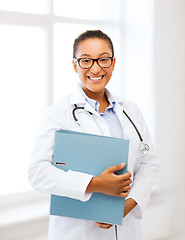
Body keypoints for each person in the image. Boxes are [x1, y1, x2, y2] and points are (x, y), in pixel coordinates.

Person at [28, 30, 158, 240]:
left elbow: (149, 164)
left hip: (127, 229)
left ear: (113, 63)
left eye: (103, 59)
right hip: (78, 232)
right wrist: (95, 184)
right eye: (86, 61)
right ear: (75, 65)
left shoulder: (130, 110)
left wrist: (127, 206)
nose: (95, 68)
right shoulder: (58, 113)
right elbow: (38, 173)